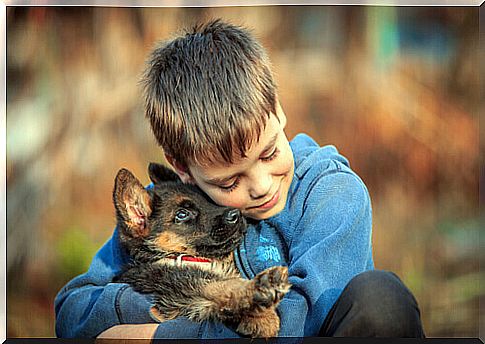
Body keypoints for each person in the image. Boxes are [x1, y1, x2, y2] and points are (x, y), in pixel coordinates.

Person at [54, 19, 425, 339]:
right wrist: (153, 302)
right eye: (229, 183)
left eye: (269, 153)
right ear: (183, 169)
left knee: (382, 299)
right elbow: (72, 310)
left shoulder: (332, 194)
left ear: (277, 110)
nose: (262, 185)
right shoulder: (173, 206)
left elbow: (292, 323)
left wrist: (159, 335)